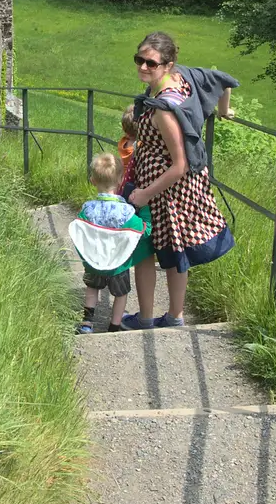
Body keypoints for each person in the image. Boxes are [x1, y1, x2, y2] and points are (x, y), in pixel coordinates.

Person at [121, 31, 238, 330]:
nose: (144, 67)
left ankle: (148, 318)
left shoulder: (164, 110)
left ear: (168, 64)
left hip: (165, 189)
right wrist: (224, 111)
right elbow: (223, 80)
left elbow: (180, 165)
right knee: (176, 249)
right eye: (140, 60)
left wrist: (145, 193)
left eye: (151, 63)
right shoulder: (184, 77)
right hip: (177, 187)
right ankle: (173, 316)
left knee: (146, 249)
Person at [67, 152, 152, 334]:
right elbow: (144, 231)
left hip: (93, 261)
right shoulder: (126, 213)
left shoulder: (87, 210)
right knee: (120, 294)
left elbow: (81, 231)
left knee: (92, 288)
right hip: (118, 265)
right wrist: (145, 211)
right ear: (121, 180)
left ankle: (87, 324)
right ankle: (114, 327)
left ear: (92, 180)